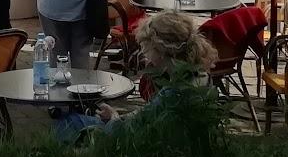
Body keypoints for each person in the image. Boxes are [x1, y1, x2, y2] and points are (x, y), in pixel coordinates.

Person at [55, 11, 216, 142]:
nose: (144, 56)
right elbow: (148, 115)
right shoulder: (201, 76)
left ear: (162, 50)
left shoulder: (172, 95)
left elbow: (130, 131)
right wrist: (118, 115)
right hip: (161, 140)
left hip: (136, 145)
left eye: (147, 48)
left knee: (68, 122)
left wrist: (115, 119)